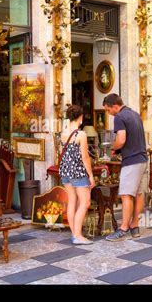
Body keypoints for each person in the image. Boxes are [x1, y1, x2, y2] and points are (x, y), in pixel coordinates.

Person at [103, 94, 148, 241]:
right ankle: (134, 226)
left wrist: (113, 148)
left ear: (115, 106)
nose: (109, 114)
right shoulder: (135, 114)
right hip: (143, 159)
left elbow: (121, 140)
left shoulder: (120, 117)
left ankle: (123, 228)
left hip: (132, 162)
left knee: (126, 195)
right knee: (139, 194)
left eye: (108, 110)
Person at [59, 105, 96, 245]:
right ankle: (78, 235)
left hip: (65, 171)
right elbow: (85, 157)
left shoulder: (63, 133)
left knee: (72, 201)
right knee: (85, 202)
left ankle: (75, 234)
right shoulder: (81, 134)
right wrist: (91, 175)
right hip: (78, 171)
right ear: (80, 118)